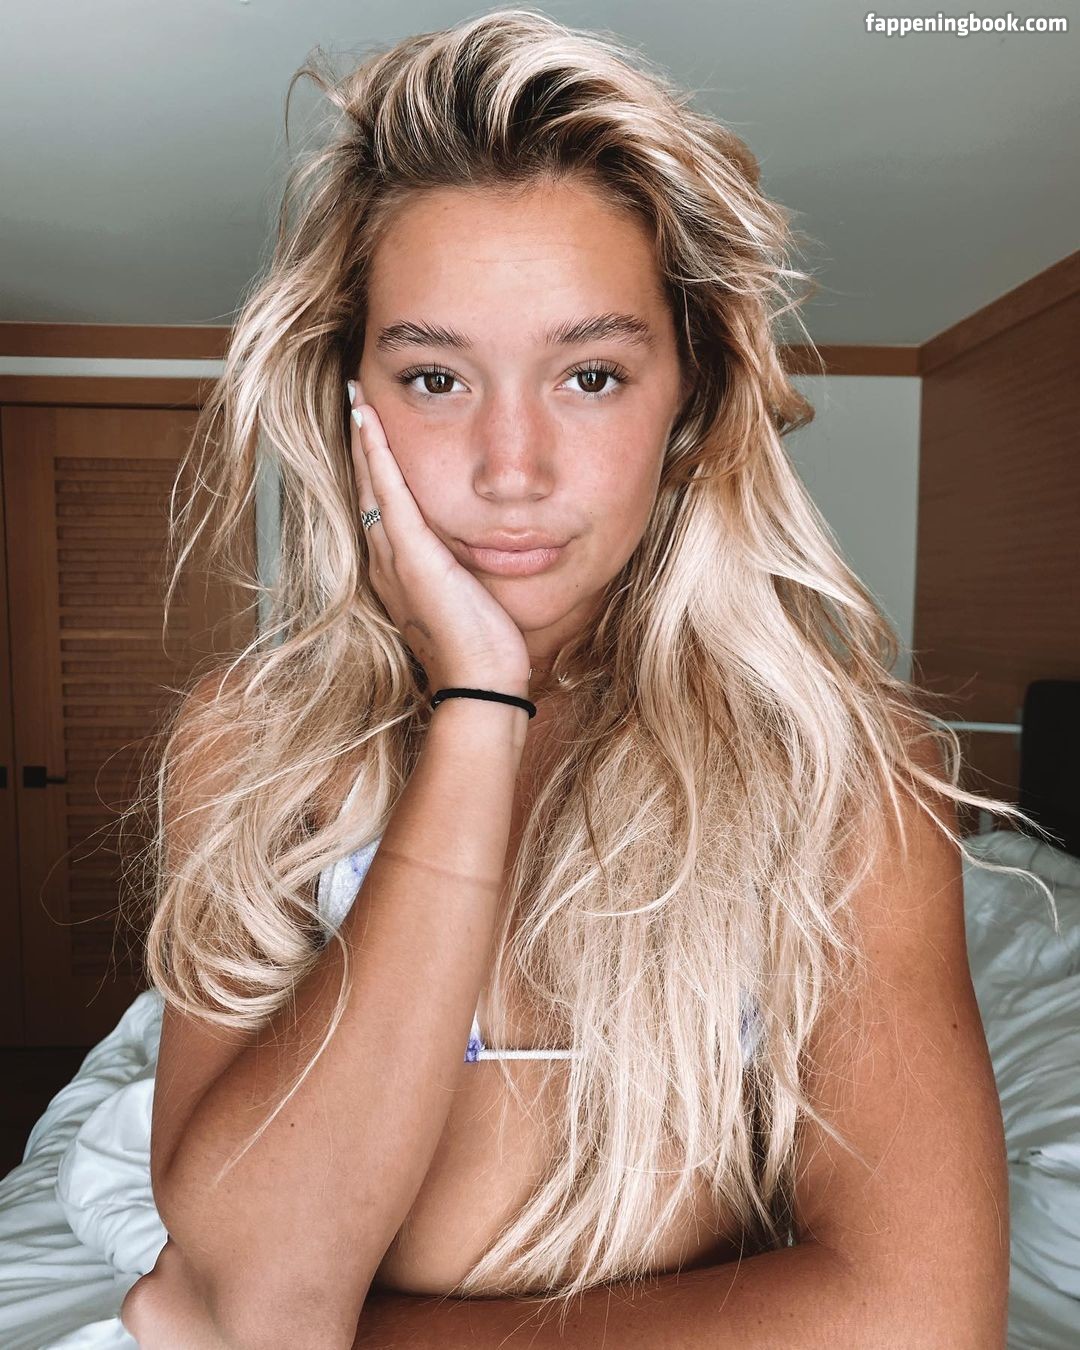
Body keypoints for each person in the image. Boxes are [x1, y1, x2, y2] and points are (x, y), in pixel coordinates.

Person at [119, 10, 1033, 1347]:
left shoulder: (842, 772)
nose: (512, 469)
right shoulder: (249, 744)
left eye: (591, 375)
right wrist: (479, 712)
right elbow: (258, 1271)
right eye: (435, 376)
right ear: (345, 397)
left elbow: (921, 1318)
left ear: (688, 401)